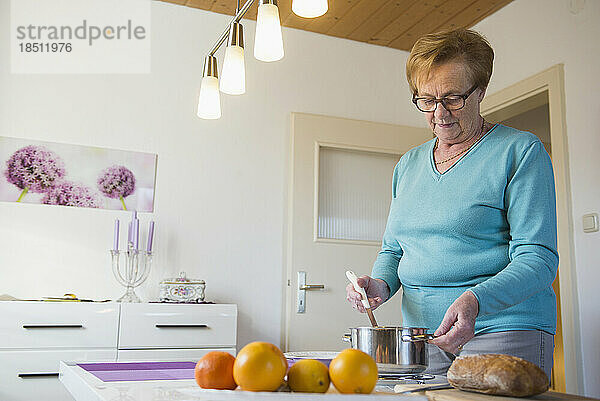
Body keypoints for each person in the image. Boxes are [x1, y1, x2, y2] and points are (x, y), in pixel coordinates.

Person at [346, 29, 558, 379]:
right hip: (421, 338)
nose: (439, 113)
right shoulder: (408, 165)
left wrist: (476, 300)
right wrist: (379, 285)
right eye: (426, 100)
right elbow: (394, 249)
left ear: (480, 92)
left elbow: (538, 259)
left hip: (501, 329)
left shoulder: (520, 152)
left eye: (453, 98)